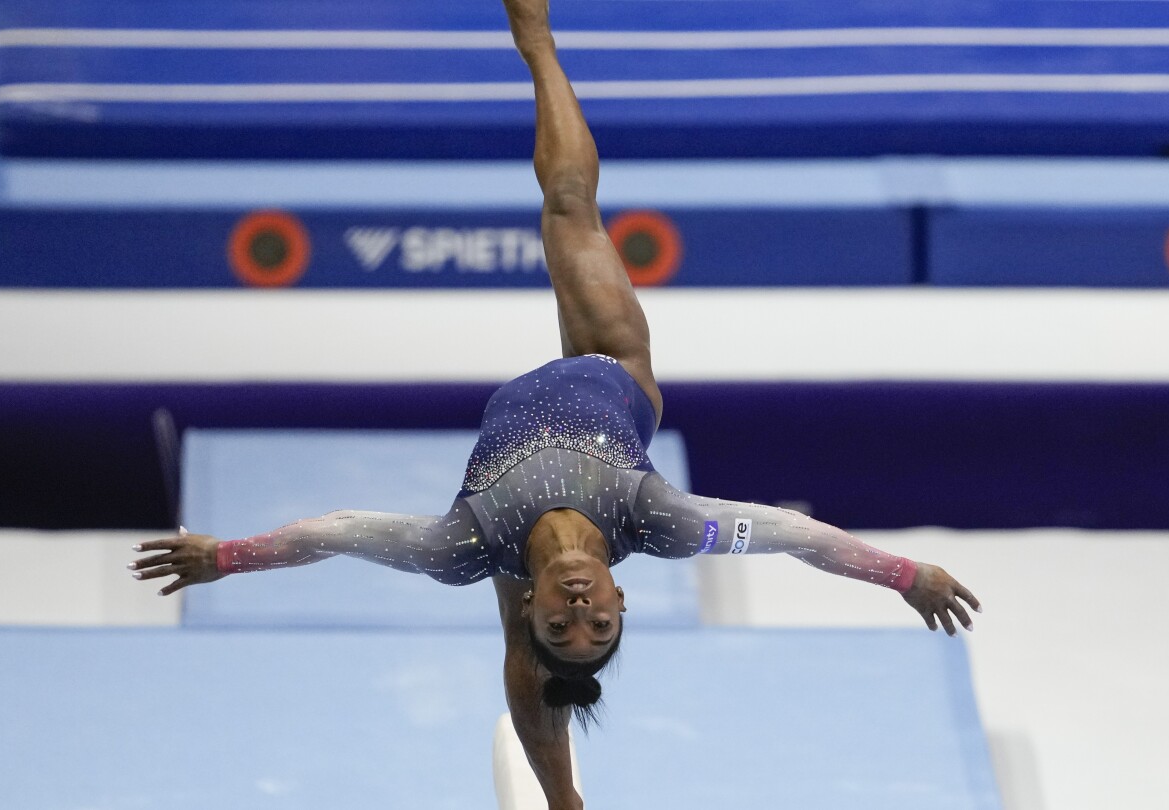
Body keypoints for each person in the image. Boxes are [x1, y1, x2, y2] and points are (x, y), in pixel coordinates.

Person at [130, 0, 980, 806]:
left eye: (561, 626)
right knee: (571, 206)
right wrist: (905, 575)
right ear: (621, 600)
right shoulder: (661, 521)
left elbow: (337, 533)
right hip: (611, 368)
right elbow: (796, 536)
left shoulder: (465, 545)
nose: (577, 613)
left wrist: (229, 557)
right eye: (597, 627)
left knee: (507, 602)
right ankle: (535, 33)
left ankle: (561, 790)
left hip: (505, 525)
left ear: (540, 608)